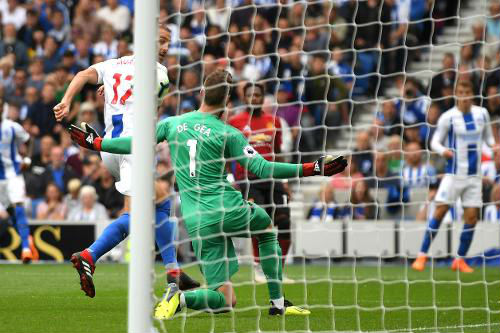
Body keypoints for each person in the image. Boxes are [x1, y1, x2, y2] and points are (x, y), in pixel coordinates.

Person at [69, 69, 348, 317]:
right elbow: (262, 168)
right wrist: (312, 168)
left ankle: (180, 298)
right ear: (228, 102)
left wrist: (98, 143)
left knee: (223, 298)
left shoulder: (173, 123)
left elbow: (136, 142)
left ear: (202, 92)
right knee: (265, 229)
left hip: (197, 220)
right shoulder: (229, 133)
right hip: (228, 207)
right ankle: (277, 303)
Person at [53, 24, 199, 298]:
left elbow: (84, 75)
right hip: (133, 147)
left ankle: (173, 271)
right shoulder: (160, 72)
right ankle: (90, 254)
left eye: (168, 42)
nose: (166, 48)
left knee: (157, 204)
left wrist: (67, 100)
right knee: (149, 210)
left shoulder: (112, 65)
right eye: (162, 41)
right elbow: (152, 105)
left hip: (109, 148)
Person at [412, 80, 497, 273]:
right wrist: (443, 152)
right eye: (461, 92)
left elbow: (489, 139)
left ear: (472, 94)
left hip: (474, 176)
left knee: (472, 218)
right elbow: (435, 141)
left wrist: (494, 148)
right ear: (456, 94)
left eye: (467, 92)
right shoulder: (448, 117)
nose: (464, 96)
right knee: (440, 212)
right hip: (453, 174)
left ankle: (459, 259)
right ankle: (422, 255)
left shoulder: (482, 114)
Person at [228, 82, 294, 284]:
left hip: (272, 178)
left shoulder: (273, 121)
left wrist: (284, 180)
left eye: (257, 95)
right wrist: (231, 179)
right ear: (244, 97)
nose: (253, 98)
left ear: (263, 98)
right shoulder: (234, 122)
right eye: (250, 95)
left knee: (284, 223)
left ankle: (278, 271)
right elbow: (227, 153)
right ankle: (258, 267)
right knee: (260, 222)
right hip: (248, 179)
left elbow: (279, 152)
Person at [0, 116, 38, 263]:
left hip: (13, 174)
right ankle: (27, 240)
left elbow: (29, 141)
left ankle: (25, 250)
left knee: (18, 208)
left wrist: (27, 159)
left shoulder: (11, 127)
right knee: (9, 214)